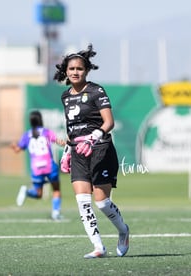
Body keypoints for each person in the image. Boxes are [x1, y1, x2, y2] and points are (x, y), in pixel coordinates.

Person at [54, 44, 129, 258]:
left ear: (86, 70)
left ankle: (123, 231)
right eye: (71, 69)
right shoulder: (65, 97)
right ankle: (98, 247)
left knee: (102, 202)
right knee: (82, 201)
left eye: (79, 69)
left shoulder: (96, 91)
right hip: (78, 153)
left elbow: (109, 122)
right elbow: (71, 129)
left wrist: (93, 137)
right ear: (65, 72)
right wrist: (68, 151)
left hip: (100, 150)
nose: (75, 72)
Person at [10, 110, 64, 221]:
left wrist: (13, 145)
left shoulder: (27, 135)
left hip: (36, 168)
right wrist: (66, 143)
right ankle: (55, 213)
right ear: (41, 120)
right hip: (49, 165)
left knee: (38, 194)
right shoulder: (46, 132)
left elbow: (17, 150)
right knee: (56, 190)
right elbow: (59, 141)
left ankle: (26, 191)